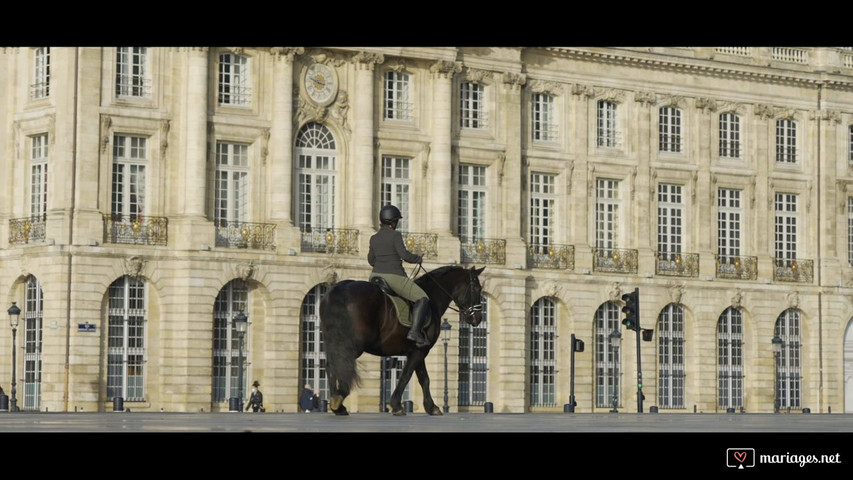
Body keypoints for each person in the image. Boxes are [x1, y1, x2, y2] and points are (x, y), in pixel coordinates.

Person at [367, 205, 431, 347]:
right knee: (422, 298)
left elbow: (371, 260)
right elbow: (404, 255)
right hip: (393, 276)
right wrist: (417, 258)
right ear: (393, 222)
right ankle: (414, 331)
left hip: (375, 276)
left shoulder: (374, 238)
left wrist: (381, 263)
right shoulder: (395, 235)